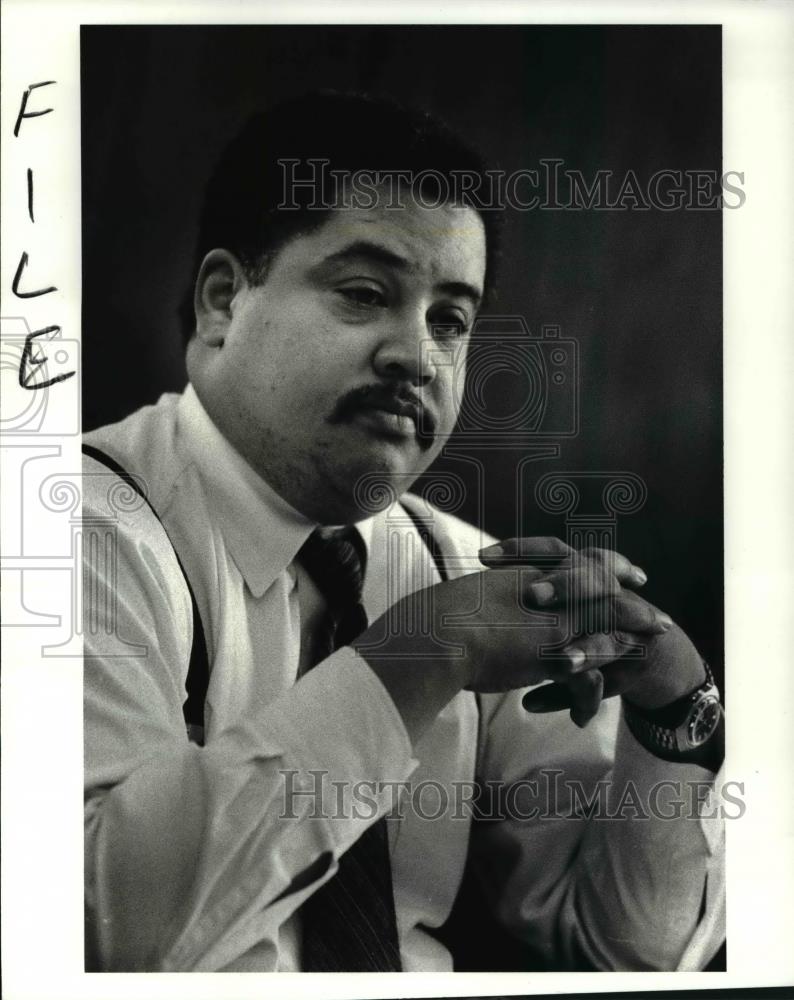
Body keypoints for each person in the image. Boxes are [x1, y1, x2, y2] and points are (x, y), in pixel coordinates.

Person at [82, 92, 725, 972]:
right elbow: (99, 928)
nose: (417, 356)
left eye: (449, 321)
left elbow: (624, 947)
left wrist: (674, 714)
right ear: (224, 301)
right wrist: (423, 657)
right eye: (363, 294)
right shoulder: (73, 526)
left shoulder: (459, 569)